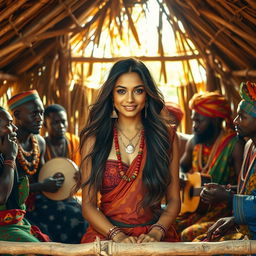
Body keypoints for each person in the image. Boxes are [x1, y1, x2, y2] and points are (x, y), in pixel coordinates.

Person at [80, 58, 180, 243]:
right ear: (111, 95)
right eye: (121, 91)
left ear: (147, 94)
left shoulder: (166, 136)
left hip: (153, 235)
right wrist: (118, 236)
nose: (130, 99)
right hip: (107, 234)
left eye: (138, 91)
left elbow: (174, 200)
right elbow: (88, 205)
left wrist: (156, 233)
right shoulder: (94, 139)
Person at [7, 90, 87, 244]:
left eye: (41, 113)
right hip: (16, 206)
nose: (40, 119)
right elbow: (10, 189)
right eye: (34, 114)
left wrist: (58, 179)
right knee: (56, 221)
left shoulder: (39, 143)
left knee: (80, 212)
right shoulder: (8, 145)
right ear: (17, 115)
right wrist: (43, 185)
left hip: (39, 199)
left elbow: (44, 177)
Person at [176, 91, 245, 241]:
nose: (194, 126)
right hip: (193, 208)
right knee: (165, 225)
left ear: (215, 121)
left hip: (222, 210)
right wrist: (181, 177)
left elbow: (244, 187)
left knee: (188, 233)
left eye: (199, 121)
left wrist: (223, 192)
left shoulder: (234, 145)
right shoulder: (194, 142)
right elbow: (182, 166)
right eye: (193, 121)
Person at [194, 81, 256, 242]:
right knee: (200, 241)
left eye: (242, 117)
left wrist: (228, 198)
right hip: (245, 224)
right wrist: (225, 190)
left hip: (252, 235)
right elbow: (248, 191)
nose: (235, 121)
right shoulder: (249, 146)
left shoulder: (236, 145)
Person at [0, 106, 49, 243]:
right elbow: (1, 197)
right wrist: (10, 157)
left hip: (14, 221)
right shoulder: (9, 154)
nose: (14, 128)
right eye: (9, 124)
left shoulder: (4, 152)